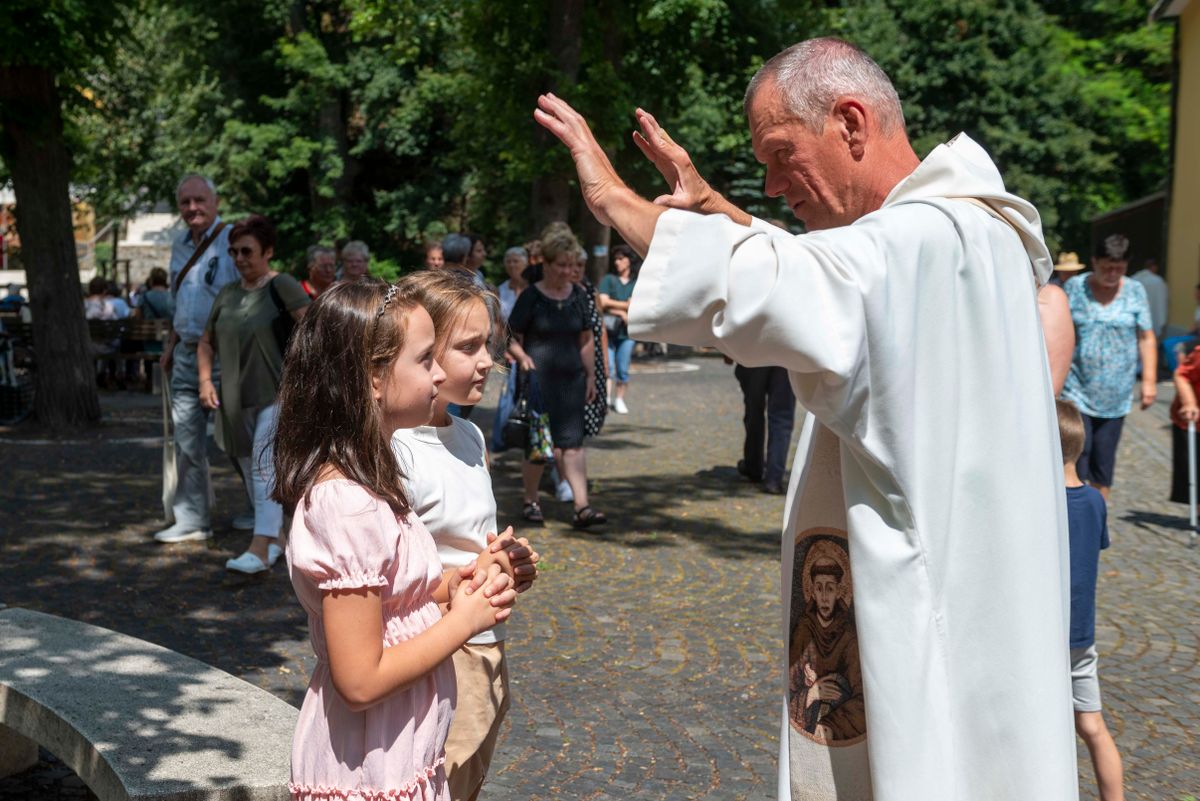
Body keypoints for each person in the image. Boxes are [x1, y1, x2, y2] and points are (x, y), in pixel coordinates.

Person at [535, 36, 1077, 800]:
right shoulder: (970, 233)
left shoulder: (915, 242)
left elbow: (794, 283)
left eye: (781, 153)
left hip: (927, 640)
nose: (769, 179)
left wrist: (612, 200)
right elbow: (824, 277)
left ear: (851, 122)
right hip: (992, 620)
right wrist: (716, 206)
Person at [270, 279, 517, 801]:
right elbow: (359, 681)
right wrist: (463, 622)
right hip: (369, 764)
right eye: (426, 359)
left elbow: (394, 603)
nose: (438, 374)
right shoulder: (346, 502)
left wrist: (457, 586)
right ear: (375, 378)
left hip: (400, 750)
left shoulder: (371, 478)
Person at [394, 269, 540, 801]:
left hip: (489, 645)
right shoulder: (398, 451)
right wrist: (472, 575)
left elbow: (469, 539)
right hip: (439, 656)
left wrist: (507, 560)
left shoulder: (470, 433)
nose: (488, 361)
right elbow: (391, 583)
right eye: (470, 347)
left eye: (490, 345)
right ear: (426, 352)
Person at [197, 215, 310, 573]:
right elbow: (206, 341)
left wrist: (305, 378)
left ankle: (260, 548)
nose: (239, 258)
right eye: (233, 251)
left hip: (277, 392)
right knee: (249, 466)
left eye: (247, 251)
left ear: (268, 252)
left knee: (262, 467)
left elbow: (312, 330)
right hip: (233, 396)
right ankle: (277, 537)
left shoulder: (284, 285)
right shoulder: (229, 293)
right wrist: (204, 381)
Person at [154, 174, 243, 544]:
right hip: (187, 353)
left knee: (241, 437)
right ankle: (192, 519)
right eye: (185, 202)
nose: (192, 208)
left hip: (229, 352)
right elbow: (182, 300)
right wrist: (171, 344)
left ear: (215, 201)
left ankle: (263, 511)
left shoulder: (235, 238)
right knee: (187, 438)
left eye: (199, 200)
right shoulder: (177, 243)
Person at [506, 228, 606, 529]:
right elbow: (510, 336)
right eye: (561, 265)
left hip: (572, 382)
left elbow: (586, 339)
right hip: (538, 384)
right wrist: (523, 358)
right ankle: (531, 500)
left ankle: (582, 507)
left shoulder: (578, 296)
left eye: (570, 264)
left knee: (573, 444)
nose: (566, 271)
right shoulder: (532, 297)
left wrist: (591, 376)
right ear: (547, 264)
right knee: (539, 446)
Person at [1057, 399, 1124, 801]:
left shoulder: (1040, 505)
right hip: (1081, 635)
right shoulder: (1097, 502)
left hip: (1043, 635)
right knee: (1093, 726)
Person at [1061, 234, 1157, 501]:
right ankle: (1075, 518)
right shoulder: (1076, 288)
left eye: (1119, 268)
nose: (1112, 274)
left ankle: (1097, 518)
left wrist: (1148, 381)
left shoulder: (1135, 291)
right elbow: (1059, 331)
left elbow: (1146, 337)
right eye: (1106, 267)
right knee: (1077, 458)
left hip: (1117, 395)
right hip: (1077, 390)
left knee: (1103, 464)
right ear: (1094, 262)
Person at [572, 245, 609, 440]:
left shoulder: (588, 289)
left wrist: (605, 365)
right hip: (571, 361)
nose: (577, 270)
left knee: (592, 409)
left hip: (593, 359)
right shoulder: (563, 292)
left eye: (581, 265)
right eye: (573, 265)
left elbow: (600, 328)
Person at [598, 243, 637, 414]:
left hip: (627, 333)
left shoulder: (637, 283)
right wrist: (624, 308)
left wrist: (616, 307)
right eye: (616, 259)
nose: (617, 262)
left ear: (629, 261)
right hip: (609, 330)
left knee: (623, 368)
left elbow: (639, 305)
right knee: (609, 367)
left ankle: (619, 399)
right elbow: (602, 302)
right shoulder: (609, 280)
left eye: (621, 259)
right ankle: (606, 398)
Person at [1131, 257, 1168, 342]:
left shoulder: (1134, 279)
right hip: (1153, 317)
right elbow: (1162, 303)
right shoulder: (1158, 282)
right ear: (1154, 267)